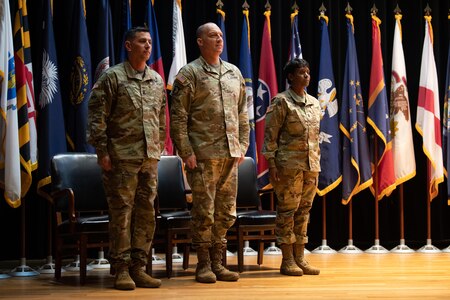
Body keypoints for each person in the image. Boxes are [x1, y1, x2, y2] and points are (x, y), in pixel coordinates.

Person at [170, 22, 250, 283]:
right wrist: (186, 151)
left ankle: (219, 263)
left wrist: (243, 146)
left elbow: (242, 113)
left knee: (226, 212)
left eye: (220, 36)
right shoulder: (189, 73)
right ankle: (203, 264)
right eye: (212, 36)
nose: (219, 40)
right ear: (200, 41)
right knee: (204, 212)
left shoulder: (233, 73)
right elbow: (179, 118)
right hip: (202, 155)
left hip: (230, 153)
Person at [87, 27, 165, 290]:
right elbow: (97, 117)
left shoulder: (155, 79)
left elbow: (161, 119)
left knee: (146, 214)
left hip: (149, 158)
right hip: (121, 158)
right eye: (142, 42)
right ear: (129, 45)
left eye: (150, 42)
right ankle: (120, 269)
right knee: (122, 214)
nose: (147, 46)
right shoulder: (113, 77)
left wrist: (159, 148)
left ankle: (138, 266)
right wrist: (102, 152)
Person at [262, 58, 321, 276]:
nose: (306, 76)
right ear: (290, 77)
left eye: (308, 72)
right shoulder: (281, 102)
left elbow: (314, 136)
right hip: (287, 166)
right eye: (301, 72)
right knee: (287, 211)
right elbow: (270, 135)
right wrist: (271, 163)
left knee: (304, 211)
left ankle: (300, 258)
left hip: (310, 165)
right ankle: (287, 260)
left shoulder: (314, 103)